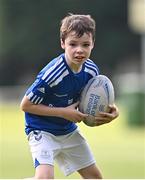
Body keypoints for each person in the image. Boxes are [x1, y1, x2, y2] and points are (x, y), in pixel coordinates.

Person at [20, 13, 119, 179]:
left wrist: (113, 111)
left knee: (95, 178)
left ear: (93, 44)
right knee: (45, 177)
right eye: (73, 44)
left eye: (85, 44)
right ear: (62, 43)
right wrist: (64, 112)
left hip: (67, 131)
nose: (79, 50)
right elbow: (25, 105)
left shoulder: (92, 71)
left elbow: (90, 99)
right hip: (42, 130)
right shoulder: (53, 74)